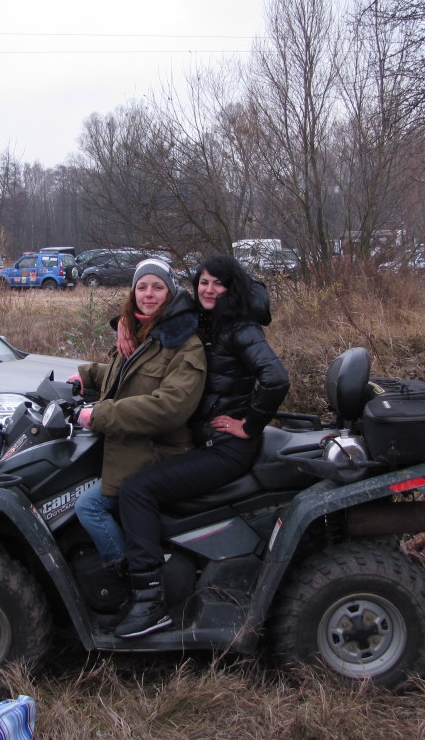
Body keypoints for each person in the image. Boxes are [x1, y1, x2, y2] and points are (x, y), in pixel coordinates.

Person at [114, 254, 290, 638]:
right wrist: (124, 323)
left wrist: (249, 424)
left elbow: (276, 378)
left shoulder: (240, 328)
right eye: (203, 282)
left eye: (218, 283)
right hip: (204, 440)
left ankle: (149, 601)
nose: (208, 290)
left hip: (225, 449)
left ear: (232, 287)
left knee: (137, 490)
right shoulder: (207, 318)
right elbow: (163, 312)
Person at [72, 258, 206, 576]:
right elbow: (128, 375)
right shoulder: (141, 331)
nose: (148, 294)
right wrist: (86, 376)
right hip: (129, 444)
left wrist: (99, 415)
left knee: (88, 506)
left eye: (158, 287)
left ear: (170, 293)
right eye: (142, 287)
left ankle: (127, 576)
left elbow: (169, 407)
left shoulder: (185, 344)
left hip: (156, 451)